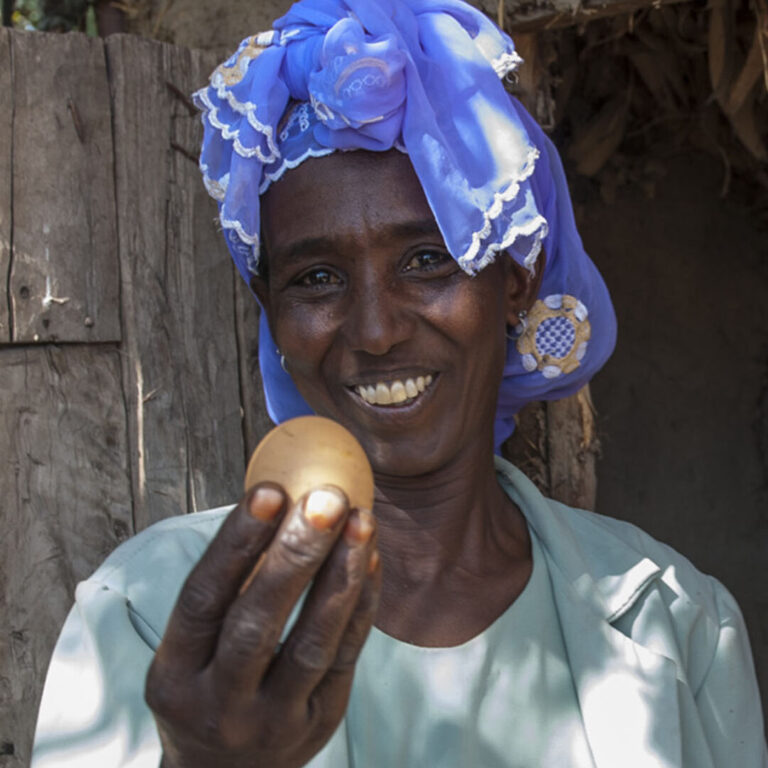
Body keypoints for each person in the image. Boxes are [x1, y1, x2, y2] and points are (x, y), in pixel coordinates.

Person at [32, 0, 767, 766]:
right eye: (317, 278)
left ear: (515, 280)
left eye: (427, 261)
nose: (376, 331)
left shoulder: (676, 623)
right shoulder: (148, 614)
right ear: (274, 319)